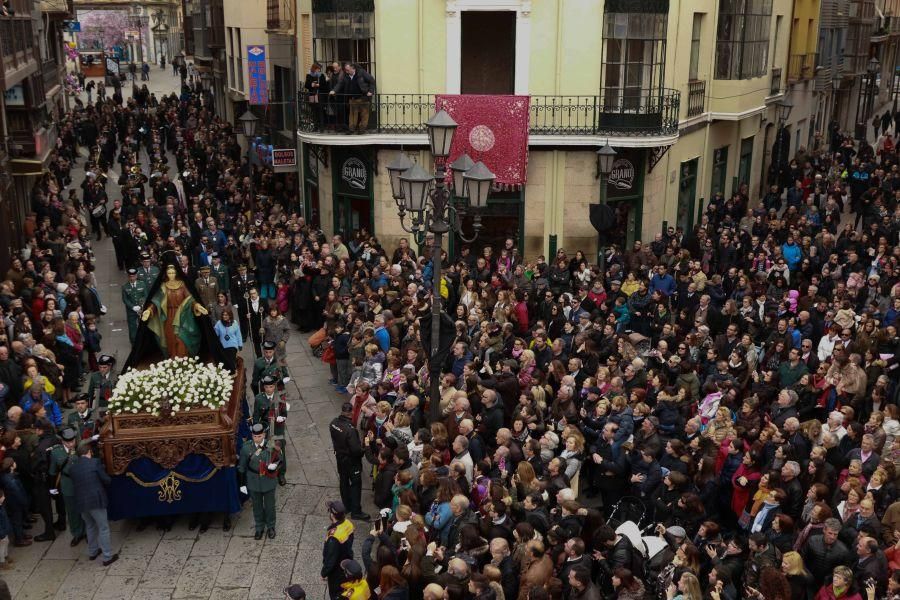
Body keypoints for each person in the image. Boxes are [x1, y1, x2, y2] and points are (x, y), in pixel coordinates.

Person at [140, 263, 210, 357]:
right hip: (169, 316)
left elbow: (190, 298)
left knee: (182, 337)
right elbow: (156, 300)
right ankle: (173, 359)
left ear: (176, 273)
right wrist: (149, 310)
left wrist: (197, 306)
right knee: (171, 337)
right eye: (169, 273)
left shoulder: (182, 284)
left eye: (173, 273)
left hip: (183, 315)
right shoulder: (163, 286)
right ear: (166, 274)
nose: (171, 275)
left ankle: (183, 359)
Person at [68, 442, 117, 566]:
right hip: (96, 500)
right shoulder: (95, 463)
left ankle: (93, 552)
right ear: (89, 452)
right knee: (103, 528)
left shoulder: (72, 468)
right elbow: (106, 479)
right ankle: (107, 557)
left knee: (90, 526)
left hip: (81, 502)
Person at [237, 423, 279, 539]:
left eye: (260, 436)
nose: (257, 439)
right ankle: (259, 527)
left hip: (268, 479)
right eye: (255, 437)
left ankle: (271, 526)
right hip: (253, 480)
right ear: (252, 436)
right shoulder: (246, 448)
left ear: (264, 435)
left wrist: (275, 465)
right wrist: (242, 484)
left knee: (270, 506)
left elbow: (279, 458)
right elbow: (241, 467)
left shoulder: (270, 445)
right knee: (257, 506)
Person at [330, 402, 369, 520]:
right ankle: (356, 511)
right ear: (351, 412)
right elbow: (356, 450)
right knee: (356, 485)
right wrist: (365, 447)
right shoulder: (350, 430)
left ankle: (346, 506)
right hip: (352, 462)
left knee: (343, 481)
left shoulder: (333, 423)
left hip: (340, 458)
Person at [48, 428, 85, 547]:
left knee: (85, 509)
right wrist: (52, 487)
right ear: (62, 441)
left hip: (82, 482)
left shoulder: (80, 448)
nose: (70, 444)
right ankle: (77, 533)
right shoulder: (56, 452)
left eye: (72, 441)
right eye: (67, 442)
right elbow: (53, 471)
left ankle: (88, 531)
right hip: (67, 484)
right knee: (72, 511)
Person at [322, 500, 355, 600]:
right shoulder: (348, 523)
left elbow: (331, 558)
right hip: (347, 560)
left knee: (335, 593)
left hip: (336, 570)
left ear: (332, 515)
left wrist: (324, 573)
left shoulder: (334, 536)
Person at [329, 63, 375, 134]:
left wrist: (370, 91)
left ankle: (362, 129)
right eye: (346, 70)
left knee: (364, 114)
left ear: (353, 69)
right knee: (352, 115)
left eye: (348, 70)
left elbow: (372, 80)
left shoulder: (361, 73)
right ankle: (351, 129)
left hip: (363, 97)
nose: (346, 72)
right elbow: (340, 84)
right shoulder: (346, 75)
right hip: (352, 98)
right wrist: (334, 90)